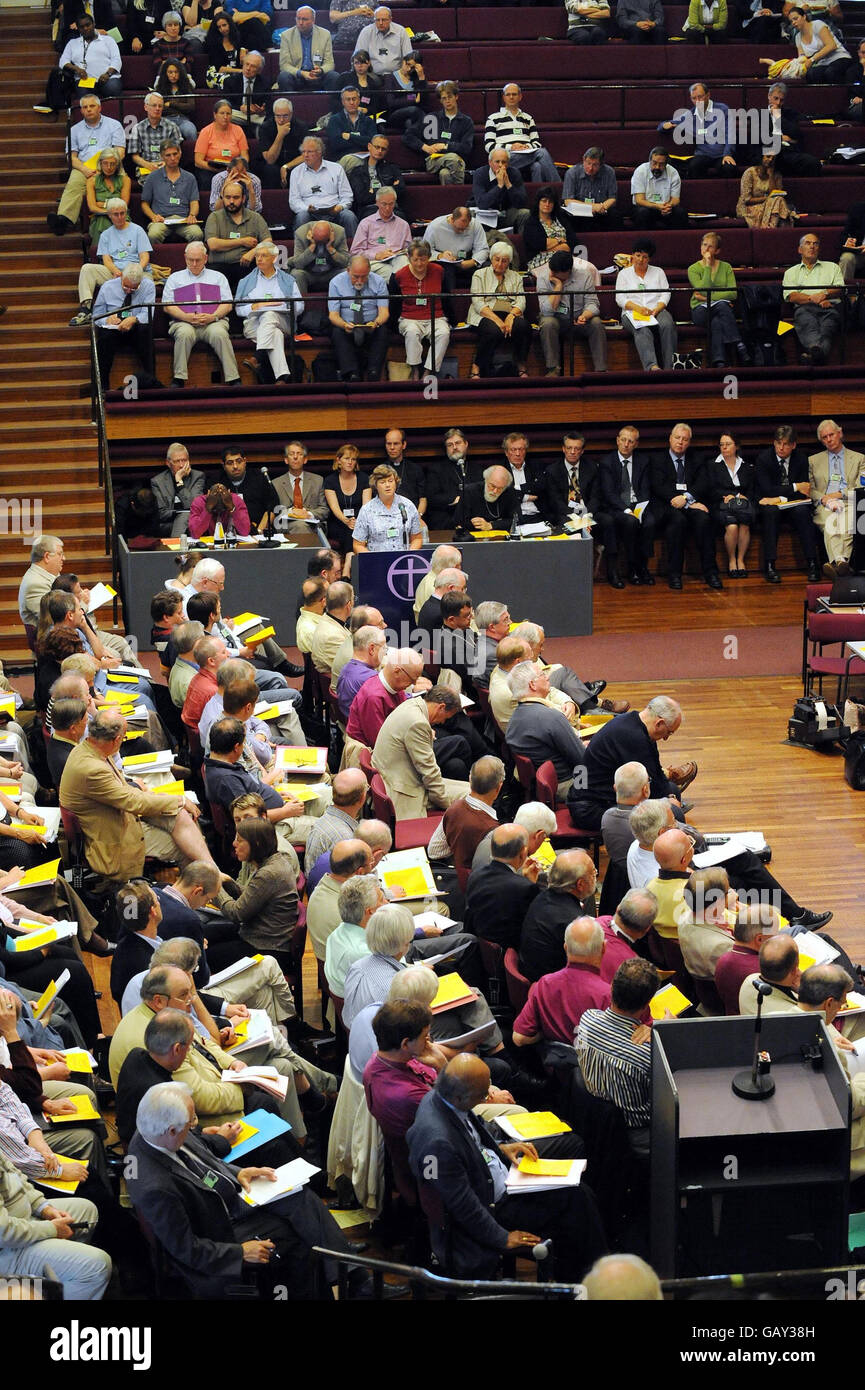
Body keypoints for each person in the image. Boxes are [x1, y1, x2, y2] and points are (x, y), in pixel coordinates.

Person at [125, 1083, 361, 1298]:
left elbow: (203, 1159)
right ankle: (346, 1277)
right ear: (172, 1131)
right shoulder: (154, 1187)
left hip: (228, 1195)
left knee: (301, 1196)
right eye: (191, 1122)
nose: (195, 1125)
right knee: (296, 1240)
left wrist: (238, 1172)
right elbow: (186, 1250)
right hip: (218, 1228)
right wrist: (240, 1253)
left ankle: (349, 1274)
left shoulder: (156, 1128)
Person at [407, 1055, 607, 1281]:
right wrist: (502, 1238)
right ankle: (592, 1281)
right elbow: (461, 1205)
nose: (488, 1097)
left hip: (499, 1180)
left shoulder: (442, 1096)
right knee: (577, 1209)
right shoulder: (438, 1142)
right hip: (493, 1207)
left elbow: (473, 1141)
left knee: (580, 1195)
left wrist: (502, 1148)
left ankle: (586, 1278)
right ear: (461, 1096)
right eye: (483, 1095)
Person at [568, 695, 693, 832]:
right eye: (668, 732)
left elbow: (655, 772)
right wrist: (667, 802)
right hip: (591, 809)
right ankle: (667, 849)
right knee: (674, 812)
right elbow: (648, 786)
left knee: (672, 789)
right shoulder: (634, 738)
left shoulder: (632, 721)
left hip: (594, 796)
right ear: (659, 723)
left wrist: (669, 796)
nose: (666, 738)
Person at [0, 1150, 112, 1300]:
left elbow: (15, 1175)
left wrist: (45, 1208)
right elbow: (4, 1231)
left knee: (88, 1209)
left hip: (18, 1219)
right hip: (6, 1247)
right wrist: (52, 1229)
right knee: (97, 1265)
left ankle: (58, 1278)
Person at [575, 957, 659, 1154]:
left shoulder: (586, 1019)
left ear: (611, 988)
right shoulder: (648, 1054)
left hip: (594, 1125)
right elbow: (668, 1102)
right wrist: (667, 1031)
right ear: (647, 1005)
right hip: (639, 1138)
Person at [513, 917, 612, 1049]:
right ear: (604, 948)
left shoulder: (545, 984)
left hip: (553, 1066)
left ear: (565, 948)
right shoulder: (608, 995)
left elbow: (519, 1038)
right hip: (594, 1068)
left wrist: (544, 1035)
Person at [372, 685, 470, 817]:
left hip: (396, 777)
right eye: (445, 717)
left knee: (471, 789)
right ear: (441, 707)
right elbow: (429, 771)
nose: (442, 722)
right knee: (473, 797)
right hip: (402, 789)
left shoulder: (412, 705)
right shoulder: (418, 723)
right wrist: (447, 804)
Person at [651, 421, 722, 590]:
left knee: (704, 519)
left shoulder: (697, 458)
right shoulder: (657, 459)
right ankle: (674, 574)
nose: (680, 442)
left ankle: (711, 572)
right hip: (667, 505)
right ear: (670, 439)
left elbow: (703, 483)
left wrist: (686, 499)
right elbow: (658, 486)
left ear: (689, 442)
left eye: (684, 439)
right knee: (677, 522)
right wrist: (682, 501)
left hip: (690, 502)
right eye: (677, 438)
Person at [161, 241, 241, 388]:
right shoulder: (175, 278)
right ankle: (178, 378)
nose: (194, 263)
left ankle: (233, 378)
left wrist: (213, 317)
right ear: (185, 258)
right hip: (183, 321)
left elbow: (228, 304)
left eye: (198, 260)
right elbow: (167, 306)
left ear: (205, 258)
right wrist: (186, 317)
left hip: (213, 321)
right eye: (190, 259)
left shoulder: (218, 277)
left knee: (219, 334)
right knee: (184, 333)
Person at [505, 661, 587, 799]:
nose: (548, 677)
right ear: (532, 684)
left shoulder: (513, 721)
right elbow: (582, 760)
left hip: (543, 788)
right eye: (542, 674)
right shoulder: (551, 717)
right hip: (571, 785)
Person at [48, 95, 126, 237]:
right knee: (74, 182)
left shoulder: (114, 125)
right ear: (82, 111)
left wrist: (104, 168)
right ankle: (63, 220)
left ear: (100, 107)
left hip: (110, 165)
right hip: (84, 167)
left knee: (122, 177)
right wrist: (85, 169)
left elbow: (120, 152)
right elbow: (71, 157)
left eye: (92, 106)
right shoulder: (74, 130)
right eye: (85, 107)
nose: (89, 109)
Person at [69, 198, 151, 329]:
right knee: (87, 268)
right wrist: (115, 271)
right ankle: (86, 309)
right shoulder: (106, 235)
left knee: (147, 281)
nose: (120, 217)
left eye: (122, 213)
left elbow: (145, 256)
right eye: (116, 214)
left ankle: (137, 316)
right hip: (116, 272)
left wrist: (135, 272)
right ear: (109, 215)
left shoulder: (138, 230)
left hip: (136, 271)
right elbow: (106, 259)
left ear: (126, 213)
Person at [519, 851, 598, 981]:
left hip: (533, 971)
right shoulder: (573, 924)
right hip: (550, 986)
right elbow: (585, 968)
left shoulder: (542, 896)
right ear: (580, 884)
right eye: (593, 873)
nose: (595, 877)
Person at [755, 423, 820, 583]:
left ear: (793, 445)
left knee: (803, 512)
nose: (781, 448)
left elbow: (803, 492)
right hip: (772, 505)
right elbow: (767, 490)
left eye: (785, 444)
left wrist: (781, 497)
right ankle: (770, 565)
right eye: (778, 443)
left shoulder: (801, 459)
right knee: (770, 513)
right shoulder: (764, 459)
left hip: (794, 503)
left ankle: (812, 563)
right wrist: (794, 487)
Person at [463, 824, 541, 950]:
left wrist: (526, 881)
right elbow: (534, 927)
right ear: (523, 853)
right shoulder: (524, 888)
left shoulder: (476, 875)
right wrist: (530, 884)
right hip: (510, 955)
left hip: (480, 952)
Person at [235, 240, 303, 386]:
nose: (259, 259)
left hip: (283, 322)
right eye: (257, 256)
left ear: (274, 258)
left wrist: (283, 307)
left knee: (270, 315)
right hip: (254, 325)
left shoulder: (288, 280)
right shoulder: (245, 281)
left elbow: (299, 306)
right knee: (275, 333)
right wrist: (256, 306)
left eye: (264, 256)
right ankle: (283, 376)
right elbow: (238, 309)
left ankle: (258, 356)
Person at [599, 425, 656, 587]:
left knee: (650, 522)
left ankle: (643, 566)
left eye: (630, 441)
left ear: (636, 444)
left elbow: (645, 489)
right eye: (623, 440)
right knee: (630, 522)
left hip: (638, 504)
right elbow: (609, 493)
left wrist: (639, 509)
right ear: (617, 441)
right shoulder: (607, 463)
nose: (626, 444)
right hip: (617, 507)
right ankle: (632, 569)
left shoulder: (643, 461)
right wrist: (627, 510)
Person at [536, 250, 607, 377]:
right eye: (551, 270)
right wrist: (558, 286)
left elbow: (593, 304)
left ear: (568, 271)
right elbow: (546, 311)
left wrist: (585, 315)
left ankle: (601, 370)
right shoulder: (543, 277)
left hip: (579, 318)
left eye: (556, 273)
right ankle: (553, 369)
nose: (552, 273)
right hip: (556, 319)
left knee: (596, 322)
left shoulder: (584, 275)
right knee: (547, 323)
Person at [468, 242, 531, 381]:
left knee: (524, 327)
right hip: (485, 314)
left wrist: (511, 317)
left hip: (510, 313)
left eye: (505, 261)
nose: (500, 264)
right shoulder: (479, 274)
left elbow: (521, 302)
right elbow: (478, 303)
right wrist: (497, 320)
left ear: (509, 262)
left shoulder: (516, 276)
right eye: (497, 259)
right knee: (493, 331)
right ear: (491, 258)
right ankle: (476, 366)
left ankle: (520, 363)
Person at [809, 418, 864, 577]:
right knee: (830, 523)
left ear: (839, 433)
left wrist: (840, 495)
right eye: (824, 437)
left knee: (846, 523)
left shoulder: (859, 458)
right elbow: (810, 489)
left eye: (831, 435)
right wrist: (824, 499)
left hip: (849, 501)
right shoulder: (813, 461)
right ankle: (842, 562)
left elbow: (861, 488)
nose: (829, 439)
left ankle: (835, 563)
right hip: (825, 504)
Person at [91, 263, 159, 391]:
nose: (128, 291)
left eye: (133, 289)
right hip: (113, 329)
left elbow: (148, 313)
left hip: (135, 328)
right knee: (104, 339)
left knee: (145, 332)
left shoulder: (148, 286)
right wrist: (107, 318)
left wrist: (134, 319)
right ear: (121, 277)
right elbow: (97, 315)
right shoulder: (107, 287)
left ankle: (151, 381)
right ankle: (102, 387)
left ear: (140, 282)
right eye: (125, 286)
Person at [782, 233, 845, 366]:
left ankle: (812, 354)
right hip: (804, 309)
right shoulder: (790, 272)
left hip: (829, 307)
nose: (812, 246)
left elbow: (840, 288)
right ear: (800, 249)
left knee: (827, 329)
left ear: (819, 248)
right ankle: (818, 355)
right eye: (808, 243)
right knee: (809, 325)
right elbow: (791, 296)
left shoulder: (832, 267)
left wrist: (825, 295)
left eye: (815, 244)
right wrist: (814, 298)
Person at [615, 239, 677, 372]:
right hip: (632, 312)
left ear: (649, 259)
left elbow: (666, 294)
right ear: (632, 255)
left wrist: (657, 309)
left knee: (668, 325)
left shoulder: (658, 272)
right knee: (642, 330)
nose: (640, 260)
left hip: (656, 309)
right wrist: (638, 308)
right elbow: (619, 298)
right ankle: (652, 367)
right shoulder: (623, 274)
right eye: (638, 255)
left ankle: (670, 368)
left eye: (644, 257)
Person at [688, 232, 748, 369]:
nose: (706, 249)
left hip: (715, 308)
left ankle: (719, 361)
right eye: (704, 245)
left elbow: (733, 293)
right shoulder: (693, 269)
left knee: (716, 322)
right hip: (700, 310)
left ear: (717, 250)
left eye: (711, 246)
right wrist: (708, 266)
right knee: (722, 305)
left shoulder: (726, 267)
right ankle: (738, 343)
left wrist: (706, 297)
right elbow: (704, 289)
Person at [394, 239, 450, 381]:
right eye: (415, 259)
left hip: (435, 316)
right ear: (408, 258)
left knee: (444, 332)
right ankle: (415, 369)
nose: (419, 264)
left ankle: (428, 370)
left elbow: (447, 297)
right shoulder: (399, 275)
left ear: (429, 257)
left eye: (423, 260)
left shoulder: (439, 271)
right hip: (409, 317)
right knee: (412, 332)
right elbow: (394, 303)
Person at [657, 82, 738, 179]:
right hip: (703, 154)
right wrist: (664, 126)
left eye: (700, 97)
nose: (697, 101)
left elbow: (730, 134)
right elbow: (663, 125)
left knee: (729, 168)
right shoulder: (691, 114)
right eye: (694, 98)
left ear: (708, 95)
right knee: (694, 166)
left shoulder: (723, 109)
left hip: (722, 154)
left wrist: (728, 154)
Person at [484, 83, 558, 186]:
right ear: (503, 97)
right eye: (508, 94)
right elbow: (489, 146)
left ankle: (538, 197)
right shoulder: (493, 118)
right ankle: (560, 189)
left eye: (514, 94)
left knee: (537, 166)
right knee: (542, 153)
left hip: (528, 154)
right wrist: (512, 147)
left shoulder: (528, 118)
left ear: (520, 97)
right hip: (506, 157)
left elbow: (536, 143)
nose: (511, 97)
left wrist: (526, 147)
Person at [403, 80, 474, 186]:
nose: (447, 101)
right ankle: (462, 196)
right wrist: (425, 147)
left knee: (445, 174)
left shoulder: (466, 121)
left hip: (457, 161)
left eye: (449, 97)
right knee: (453, 159)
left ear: (456, 97)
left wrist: (445, 146)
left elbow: (466, 147)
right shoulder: (431, 118)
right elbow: (408, 136)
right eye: (444, 98)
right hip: (433, 159)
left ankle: (451, 201)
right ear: (440, 100)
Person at [204, 177, 269, 290]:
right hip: (218, 268)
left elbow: (268, 241)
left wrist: (253, 251)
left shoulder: (255, 217)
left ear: (243, 199)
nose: (231, 201)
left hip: (246, 267)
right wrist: (242, 241)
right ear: (222, 198)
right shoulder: (214, 217)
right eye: (228, 197)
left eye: (236, 197)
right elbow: (213, 244)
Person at [714, 903, 780, 1013]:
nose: (777, 939)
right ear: (759, 939)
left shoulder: (723, 960)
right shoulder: (765, 971)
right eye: (776, 935)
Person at [707, 430, 755, 577]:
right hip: (721, 505)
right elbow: (710, 489)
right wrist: (727, 496)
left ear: (737, 446)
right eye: (721, 445)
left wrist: (738, 496)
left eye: (728, 444)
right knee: (733, 526)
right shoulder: (712, 465)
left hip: (742, 506)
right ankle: (732, 560)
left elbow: (752, 490)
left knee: (745, 522)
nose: (724, 447)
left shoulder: (747, 466)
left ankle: (741, 560)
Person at [289, 136, 357, 240]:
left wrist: (340, 207)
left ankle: (353, 252)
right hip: (310, 213)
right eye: (303, 152)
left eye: (309, 152)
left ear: (320, 152)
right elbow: (294, 201)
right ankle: (300, 253)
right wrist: (306, 208)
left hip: (334, 211)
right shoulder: (296, 172)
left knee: (349, 216)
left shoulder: (336, 168)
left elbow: (347, 196)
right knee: (301, 217)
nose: (305, 155)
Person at [141, 140, 202, 245]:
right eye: (168, 155)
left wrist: (192, 215)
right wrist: (153, 217)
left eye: (175, 154)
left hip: (183, 220)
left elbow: (194, 202)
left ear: (180, 153)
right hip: (162, 220)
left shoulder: (190, 177)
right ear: (162, 157)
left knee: (197, 233)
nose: (172, 158)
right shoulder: (152, 177)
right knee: (153, 234)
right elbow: (144, 203)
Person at [353, 464, 422, 552]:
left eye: (390, 481)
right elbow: (357, 545)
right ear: (376, 485)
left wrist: (409, 554)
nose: (387, 485)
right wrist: (372, 559)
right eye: (382, 482)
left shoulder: (407, 505)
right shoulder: (367, 510)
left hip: (403, 560)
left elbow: (417, 539)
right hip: (378, 561)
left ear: (396, 483)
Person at [324, 443, 372, 565]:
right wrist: (346, 521)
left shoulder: (364, 478)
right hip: (338, 522)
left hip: (360, 521)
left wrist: (357, 522)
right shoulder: (330, 480)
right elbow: (334, 508)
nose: (350, 462)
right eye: (346, 458)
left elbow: (366, 506)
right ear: (338, 460)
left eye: (353, 459)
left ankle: (346, 568)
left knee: (354, 530)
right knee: (349, 531)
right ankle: (349, 566)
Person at [350, 187, 411, 280]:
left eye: (391, 204)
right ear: (377, 203)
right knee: (390, 272)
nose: (387, 208)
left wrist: (400, 253)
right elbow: (355, 252)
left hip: (396, 259)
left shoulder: (403, 224)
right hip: (375, 261)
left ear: (395, 203)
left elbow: (408, 250)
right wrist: (376, 255)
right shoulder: (366, 223)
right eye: (384, 204)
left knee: (404, 264)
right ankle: (397, 285)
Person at [58, 11, 122, 97]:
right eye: (82, 27)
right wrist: (77, 69)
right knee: (84, 96)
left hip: (108, 79)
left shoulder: (108, 40)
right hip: (85, 81)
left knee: (113, 88)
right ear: (78, 28)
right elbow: (63, 61)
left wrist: (108, 74)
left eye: (88, 25)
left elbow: (116, 60)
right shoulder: (72, 43)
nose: (85, 28)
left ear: (94, 24)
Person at [151, 441, 206, 536]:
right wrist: (179, 513)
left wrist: (179, 481)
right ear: (168, 463)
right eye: (177, 461)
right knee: (184, 516)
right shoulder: (157, 481)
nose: (181, 465)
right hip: (169, 524)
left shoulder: (198, 476)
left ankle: (176, 548)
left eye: (184, 460)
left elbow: (195, 506)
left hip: (192, 522)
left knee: (187, 517)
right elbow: (161, 513)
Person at [471, 150, 530, 237]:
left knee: (525, 213)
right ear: (490, 162)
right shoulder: (480, 173)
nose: (500, 165)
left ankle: (522, 245)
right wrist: (499, 186)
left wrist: (508, 184)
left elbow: (522, 203)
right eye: (497, 162)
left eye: (504, 162)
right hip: (485, 214)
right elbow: (482, 203)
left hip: (506, 213)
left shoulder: (514, 173)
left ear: (508, 163)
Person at [194, 98, 249, 189]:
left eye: (228, 114)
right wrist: (215, 169)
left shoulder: (238, 130)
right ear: (215, 115)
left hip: (234, 169)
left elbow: (245, 156)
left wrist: (239, 168)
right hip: (211, 170)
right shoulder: (206, 131)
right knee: (206, 180)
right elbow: (198, 161)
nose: (225, 117)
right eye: (222, 113)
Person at [787, 3, 850, 81]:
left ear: (804, 16)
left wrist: (812, 59)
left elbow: (831, 45)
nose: (793, 22)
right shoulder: (797, 37)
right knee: (811, 74)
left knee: (830, 72)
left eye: (796, 18)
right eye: (791, 21)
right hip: (822, 63)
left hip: (838, 57)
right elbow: (802, 57)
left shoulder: (817, 24)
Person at [277, 5, 335, 91]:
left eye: (304, 19)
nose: (300, 22)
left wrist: (321, 70)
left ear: (313, 20)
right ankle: (289, 103)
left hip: (317, 76)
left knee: (334, 76)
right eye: (298, 18)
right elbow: (284, 65)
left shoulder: (325, 34)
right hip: (297, 76)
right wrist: (301, 73)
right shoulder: (286, 36)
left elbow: (330, 64)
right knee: (283, 76)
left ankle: (330, 104)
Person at [127, 91, 182, 179]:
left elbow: (178, 152)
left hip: (168, 167)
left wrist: (166, 163)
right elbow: (135, 156)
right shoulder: (137, 128)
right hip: (146, 169)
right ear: (146, 107)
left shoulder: (172, 127)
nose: (157, 108)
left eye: (160, 106)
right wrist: (149, 165)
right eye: (154, 105)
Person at [562, 146, 620, 227]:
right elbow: (568, 201)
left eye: (595, 165)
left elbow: (612, 198)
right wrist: (592, 207)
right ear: (583, 160)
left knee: (615, 215)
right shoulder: (572, 173)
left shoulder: (609, 172)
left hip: (601, 211)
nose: (590, 168)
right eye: (588, 163)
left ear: (601, 165)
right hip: (580, 211)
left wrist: (601, 207)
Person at [85, 146, 131, 247]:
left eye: (112, 164)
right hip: (99, 217)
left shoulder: (125, 180)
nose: (109, 167)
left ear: (117, 165)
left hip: (121, 215)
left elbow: (123, 204)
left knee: (118, 221)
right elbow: (92, 207)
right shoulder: (91, 181)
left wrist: (102, 204)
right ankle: (105, 256)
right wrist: (110, 211)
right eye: (105, 163)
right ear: (100, 163)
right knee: (102, 221)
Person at [736, 151, 795, 228]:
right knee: (778, 203)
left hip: (773, 206)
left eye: (773, 159)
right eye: (768, 156)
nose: (770, 160)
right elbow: (747, 200)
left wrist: (771, 175)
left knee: (778, 200)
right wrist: (767, 199)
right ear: (761, 157)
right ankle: (775, 230)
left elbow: (775, 194)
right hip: (749, 208)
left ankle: (770, 229)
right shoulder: (749, 173)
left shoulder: (776, 175)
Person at [630, 148, 685, 230]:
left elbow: (676, 199)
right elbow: (639, 200)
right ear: (649, 161)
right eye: (654, 163)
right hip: (645, 207)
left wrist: (668, 206)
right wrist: (657, 206)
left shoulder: (673, 173)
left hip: (665, 208)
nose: (657, 167)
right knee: (642, 213)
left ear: (666, 164)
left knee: (680, 213)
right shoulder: (640, 171)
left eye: (661, 164)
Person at [524, 187, 572, 274]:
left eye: (550, 202)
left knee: (589, 269)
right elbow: (538, 245)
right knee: (560, 272)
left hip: (566, 259)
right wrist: (559, 241)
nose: (547, 204)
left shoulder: (561, 219)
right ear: (538, 202)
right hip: (540, 261)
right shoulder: (531, 223)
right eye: (544, 201)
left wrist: (550, 245)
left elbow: (572, 242)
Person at [352, 6, 412, 75]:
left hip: (396, 76)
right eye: (377, 20)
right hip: (372, 75)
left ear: (390, 19)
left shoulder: (401, 31)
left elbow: (408, 57)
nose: (380, 23)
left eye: (384, 20)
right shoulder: (366, 32)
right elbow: (359, 57)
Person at [325, 85, 376, 165]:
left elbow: (373, 142)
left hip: (365, 157)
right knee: (355, 162)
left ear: (359, 101)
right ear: (343, 102)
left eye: (354, 99)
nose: (351, 102)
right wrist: (361, 140)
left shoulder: (368, 120)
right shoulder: (335, 120)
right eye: (348, 99)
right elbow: (336, 144)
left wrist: (350, 137)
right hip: (342, 158)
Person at [222, 49, 269, 133]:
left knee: (267, 123)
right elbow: (226, 103)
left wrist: (261, 110)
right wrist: (241, 107)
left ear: (259, 70)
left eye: (253, 66)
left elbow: (267, 104)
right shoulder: (230, 81)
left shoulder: (265, 83)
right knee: (225, 115)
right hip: (237, 116)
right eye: (247, 64)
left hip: (256, 117)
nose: (248, 68)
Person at [153, 58, 198, 141]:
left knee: (191, 131)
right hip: (166, 120)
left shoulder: (187, 87)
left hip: (183, 119)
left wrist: (171, 104)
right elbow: (159, 108)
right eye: (170, 72)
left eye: (176, 72)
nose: (173, 75)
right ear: (165, 73)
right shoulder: (160, 88)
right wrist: (180, 106)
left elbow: (191, 107)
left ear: (180, 73)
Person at [203, 9, 246, 75]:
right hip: (218, 75)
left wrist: (243, 49)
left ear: (230, 24)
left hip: (237, 74)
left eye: (224, 25)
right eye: (219, 27)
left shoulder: (237, 38)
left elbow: (246, 46)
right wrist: (241, 71)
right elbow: (219, 68)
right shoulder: (213, 43)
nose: (222, 29)